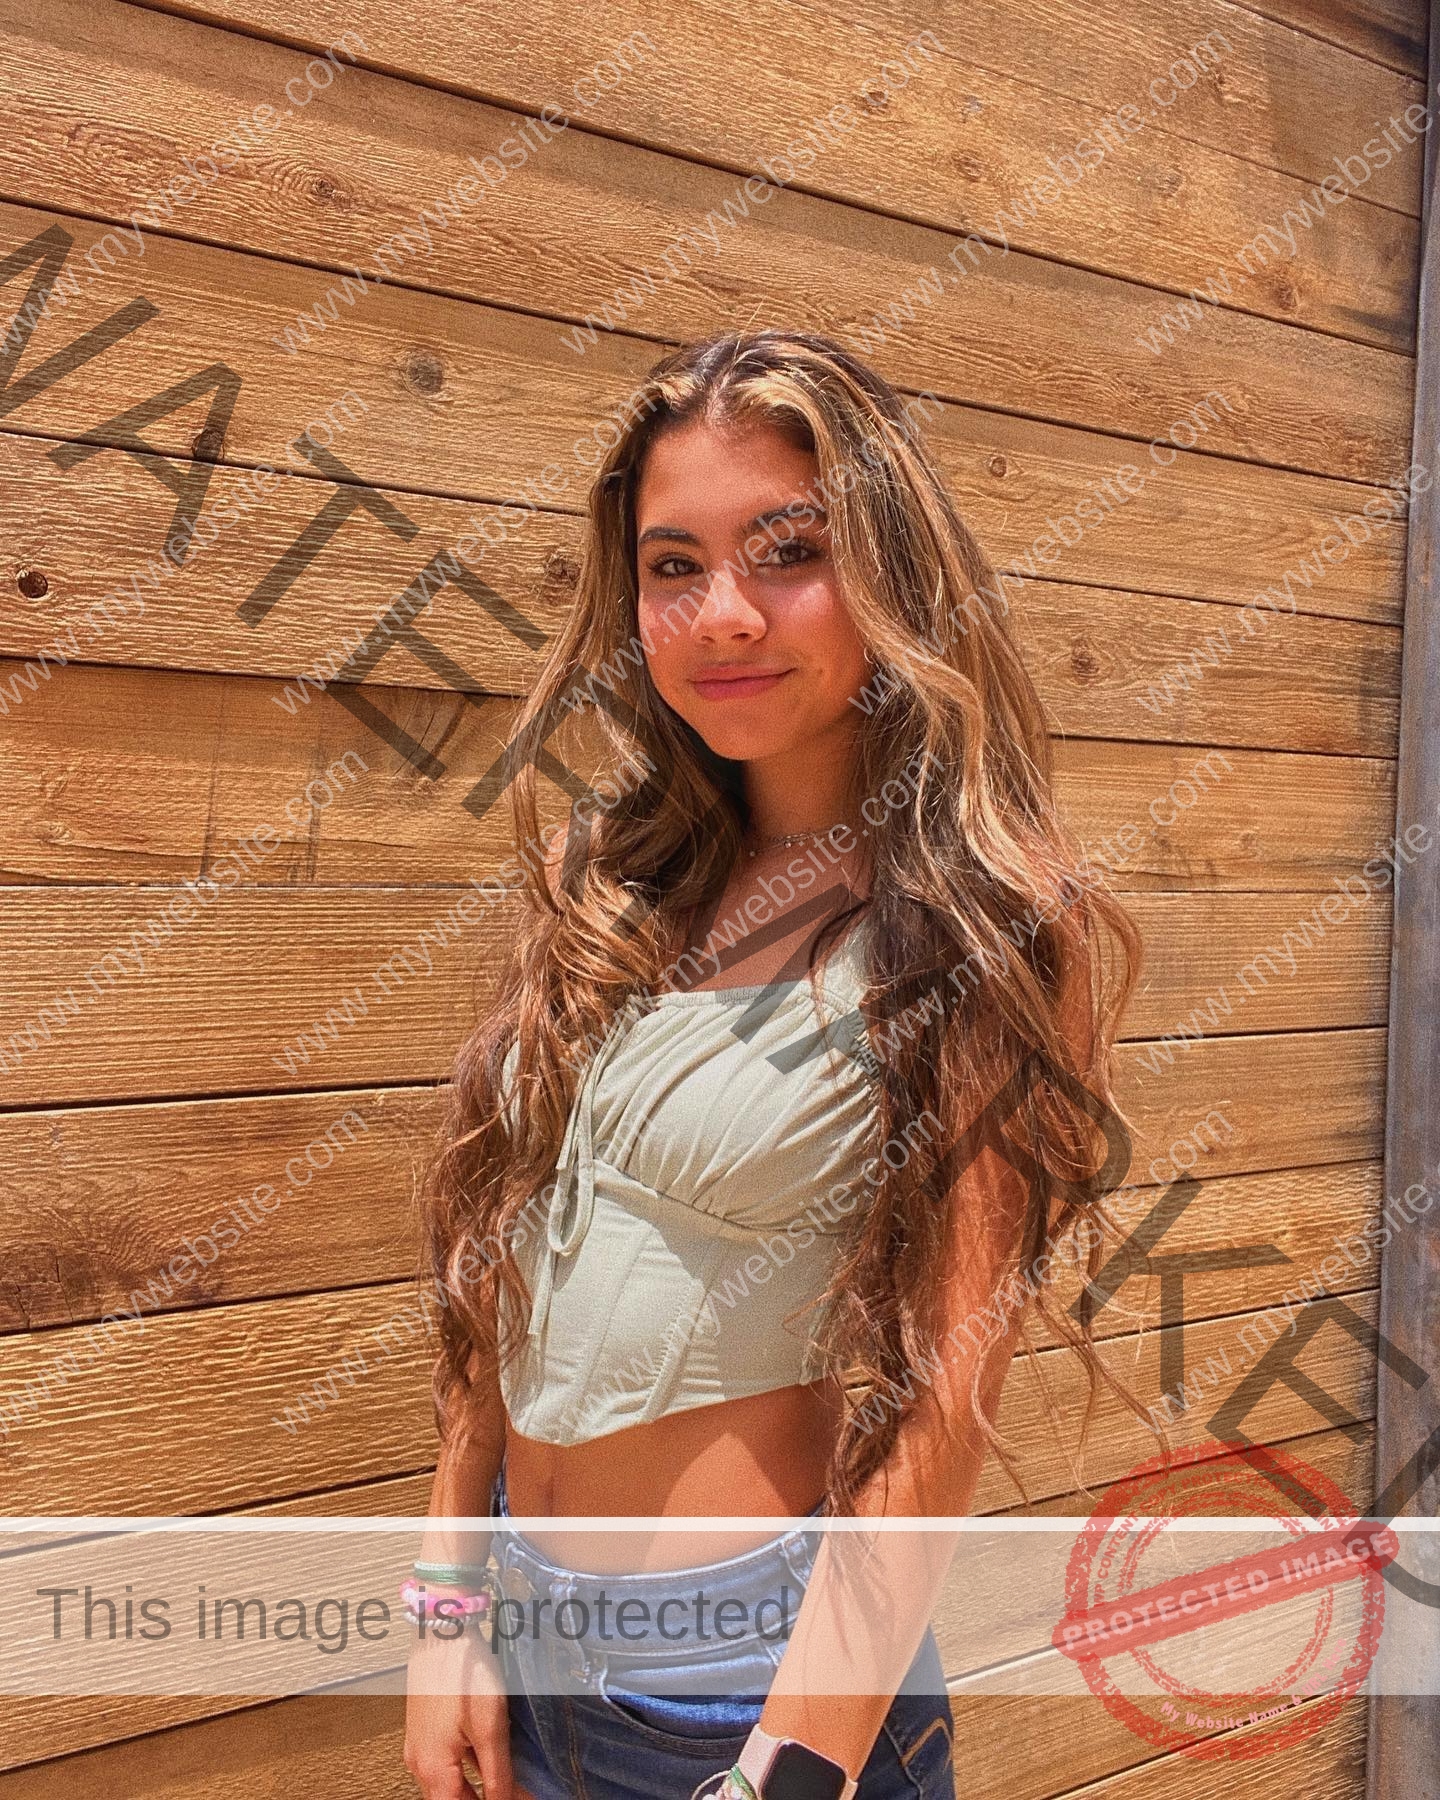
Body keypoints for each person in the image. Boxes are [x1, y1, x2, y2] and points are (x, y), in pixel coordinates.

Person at [403, 328, 1144, 1800]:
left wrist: (789, 1769)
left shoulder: (980, 924)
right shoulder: (606, 874)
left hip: (745, 1698)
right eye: (674, 566)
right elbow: (513, 1271)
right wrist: (444, 1616)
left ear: (893, 570)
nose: (722, 613)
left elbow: (945, 1399)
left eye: (786, 550)